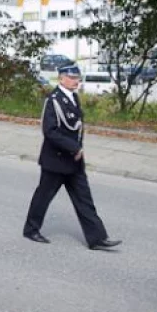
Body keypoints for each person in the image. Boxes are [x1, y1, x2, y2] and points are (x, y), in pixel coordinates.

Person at [22, 63, 122, 250]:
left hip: (74, 161)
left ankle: (97, 238)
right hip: (56, 160)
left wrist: (77, 150)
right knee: (43, 197)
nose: (76, 81)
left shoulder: (73, 97)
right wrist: (74, 147)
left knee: (85, 200)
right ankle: (31, 229)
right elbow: (49, 131)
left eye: (77, 77)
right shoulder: (53, 100)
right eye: (72, 77)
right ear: (61, 78)